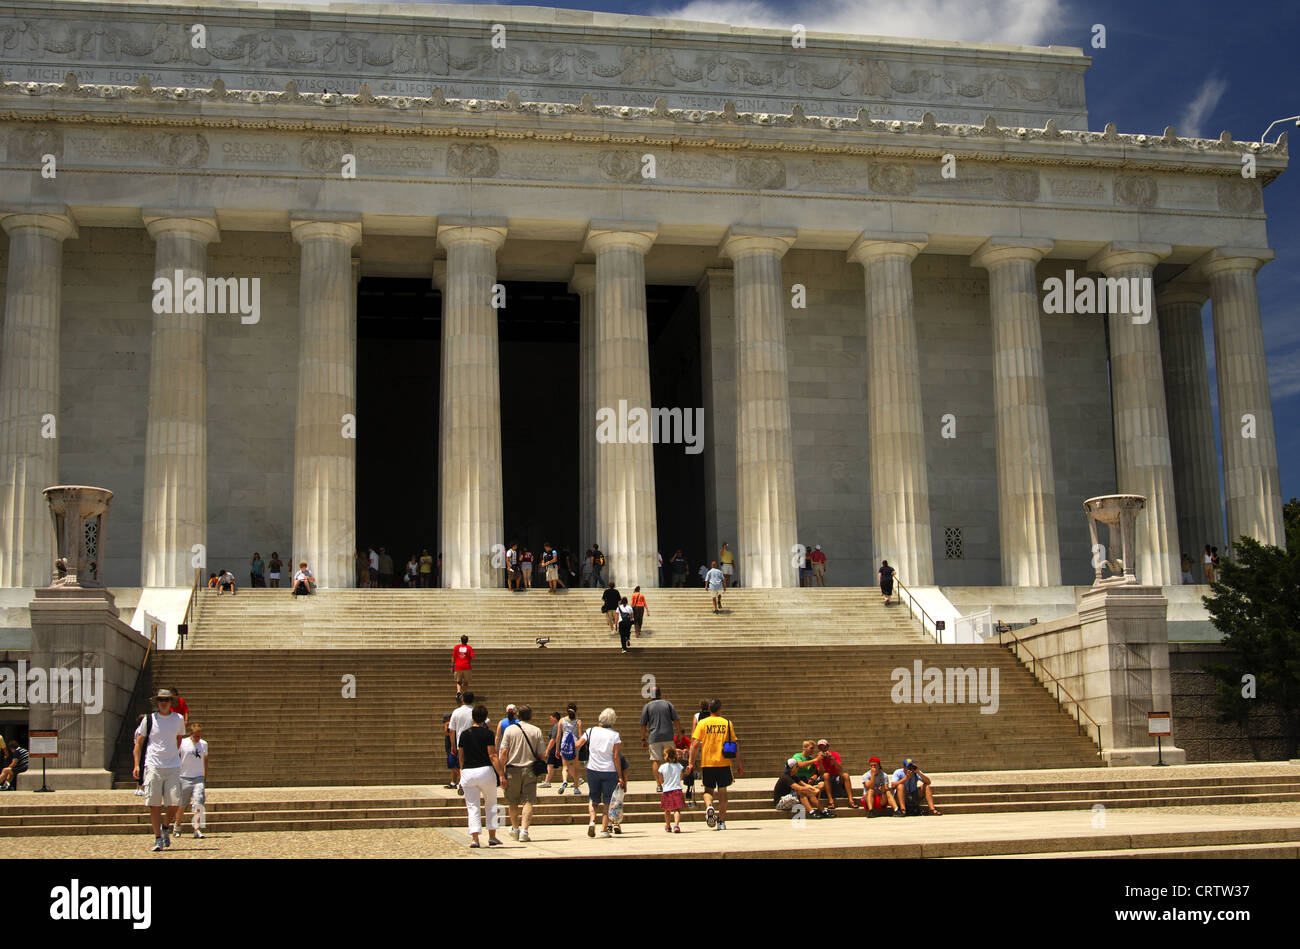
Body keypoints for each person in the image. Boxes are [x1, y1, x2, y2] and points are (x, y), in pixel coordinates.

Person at [133, 689, 186, 852]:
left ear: (171, 702)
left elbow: (179, 739)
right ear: (157, 702)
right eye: (161, 700)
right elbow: (139, 743)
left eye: (167, 700)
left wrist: (172, 756)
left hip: (172, 765)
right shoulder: (149, 719)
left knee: (175, 803)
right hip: (153, 765)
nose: (164, 702)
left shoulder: (178, 719)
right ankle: (157, 838)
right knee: (154, 804)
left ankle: (165, 826)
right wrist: (136, 764)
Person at [687, 698, 743, 831]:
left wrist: (691, 762)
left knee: (707, 791)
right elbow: (734, 745)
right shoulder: (727, 723)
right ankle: (722, 822)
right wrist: (739, 763)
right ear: (720, 709)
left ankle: (709, 806)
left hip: (708, 763)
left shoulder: (703, 723)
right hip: (724, 762)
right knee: (723, 793)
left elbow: (694, 744)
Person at [457, 704, 505, 848]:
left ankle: (475, 838)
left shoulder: (464, 734)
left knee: (472, 806)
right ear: (485, 718)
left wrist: (462, 771)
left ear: (473, 717)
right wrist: (501, 774)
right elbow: (492, 755)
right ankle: (492, 836)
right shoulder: (488, 734)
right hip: (485, 771)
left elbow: (461, 755)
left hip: (468, 772)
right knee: (491, 803)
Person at [574, 707, 625, 839]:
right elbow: (616, 757)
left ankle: (592, 821)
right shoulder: (615, 735)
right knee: (607, 801)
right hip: (609, 771)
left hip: (592, 769)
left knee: (593, 798)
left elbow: (578, 744)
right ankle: (603, 830)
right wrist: (620, 776)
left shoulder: (590, 731)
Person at [498, 704, 545, 843]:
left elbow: (504, 752)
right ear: (531, 716)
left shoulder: (510, 730)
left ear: (518, 716)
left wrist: (501, 772)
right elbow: (541, 754)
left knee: (513, 801)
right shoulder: (536, 731)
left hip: (512, 769)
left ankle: (515, 828)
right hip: (530, 769)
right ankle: (525, 830)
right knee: (528, 801)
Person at [639, 687, 680, 790]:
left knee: (655, 761)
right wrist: (679, 733)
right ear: (660, 693)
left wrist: (643, 738)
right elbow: (676, 720)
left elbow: (643, 725)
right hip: (668, 735)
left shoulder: (647, 707)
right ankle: (671, 783)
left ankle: (658, 784)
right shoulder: (668, 704)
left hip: (654, 737)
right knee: (671, 759)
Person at [177, 721, 208, 839]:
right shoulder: (183, 743)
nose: (197, 738)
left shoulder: (204, 744)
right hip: (184, 776)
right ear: (191, 734)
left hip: (198, 777)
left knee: (199, 802)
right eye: (195, 736)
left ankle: (196, 828)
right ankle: (177, 825)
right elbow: (177, 757)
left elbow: (205, 759)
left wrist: (205, 775)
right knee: (182, 804)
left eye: (199, 736)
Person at [447, 691, 478, 797]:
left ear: (462, 699)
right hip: (475, 740)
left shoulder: (456, 712)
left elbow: (452, 730)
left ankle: (463, 781)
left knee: (462, 763)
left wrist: (452, 745)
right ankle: (471, 782)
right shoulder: (475, 711)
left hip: (461, 741)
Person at [813, 738, 854, 813]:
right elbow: (821, 772)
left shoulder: (835, 754)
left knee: (845, 775)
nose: (823, 749)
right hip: (825, 778)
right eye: (821, 747)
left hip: (836, 776)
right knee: (826, 775)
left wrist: (832, 759)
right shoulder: (817, 757)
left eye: (824, 747)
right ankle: (830, 800)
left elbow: (840, 769)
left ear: (828, 747)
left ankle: (851, 800)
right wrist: (819, 761)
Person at [556, 703, 584, 796]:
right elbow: (580, 735)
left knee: (565, 767)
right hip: (575, 745)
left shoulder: (561, 721)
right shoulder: (578, 722)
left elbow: (558, 735)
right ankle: (576, 788)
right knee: (576, 768)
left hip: (564, 745)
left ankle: (564, 780)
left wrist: (557, 749)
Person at [659, 745, 685, 833]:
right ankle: (676, 825)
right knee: (677, 809)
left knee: (667, 809)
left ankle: (668, 825)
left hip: (666, 790)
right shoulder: (679, 766)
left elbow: (661, 780)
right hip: (677, 789)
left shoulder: (662, 767)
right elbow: (681, 777)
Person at [541, 711, 563, 788]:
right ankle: (547, 781)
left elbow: (553, 739)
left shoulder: (556, 726)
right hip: (559, 748)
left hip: (555, 749)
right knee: (563, 765)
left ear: (555, 718)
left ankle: (547, 781)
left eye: (551, 718)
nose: (550, 720)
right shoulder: (558, 726)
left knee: (550, 764)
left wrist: (547, 750)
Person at [442, 713, 460, 790]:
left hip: (451, 747)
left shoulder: (449, 723)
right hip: (452, 746)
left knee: (452, 765)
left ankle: (463, 777)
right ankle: (453, 782)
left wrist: (447, 726)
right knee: (454, 765)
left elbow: (447, 732)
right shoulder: (454, 724)